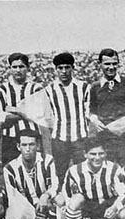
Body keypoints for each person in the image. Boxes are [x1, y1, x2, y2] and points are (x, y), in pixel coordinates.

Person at [61, 138, 125, 219]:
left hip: (108, 205)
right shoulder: (74, 171)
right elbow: (67, 194)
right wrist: (72, 211)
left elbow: (124, 194)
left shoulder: (114, 169)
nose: (97, 157)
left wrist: (114, 208)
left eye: (101, 153)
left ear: (106, 153)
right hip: (87, 207)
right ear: (85, 154)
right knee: (75, 200)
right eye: (93, 154)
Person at [3, 129, 64, 219]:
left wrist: (45, 195)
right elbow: (12, 198)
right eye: (24, 145)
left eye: (31, 145)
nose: (27, 149)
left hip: (45, 203)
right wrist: (30, 210)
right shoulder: (9, 168)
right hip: (25, 206)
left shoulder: (47, 160)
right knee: (9, 217)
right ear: (18, 146)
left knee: (60, 200)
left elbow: (55, 185)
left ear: (38, 145)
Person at [45, 52, 90, 183]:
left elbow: (89, 111)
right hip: (59, 138)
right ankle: (62, 199)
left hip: (80, 138)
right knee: (60, 173)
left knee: (82, 172)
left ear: (72, 68)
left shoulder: (84, 87)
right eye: (60, 68)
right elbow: (48, 114)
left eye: (67, 67)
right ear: (56, 69)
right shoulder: (49, 89)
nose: (64, 71)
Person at [89, 48, 125, 165]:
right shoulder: (95, 87)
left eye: (114, 63)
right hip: (104, 136)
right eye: (107, 64)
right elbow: (91, 111)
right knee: (105, 170)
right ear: (100, 64)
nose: (111, 67)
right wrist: (95, 121)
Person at [0, 53, 44, 164]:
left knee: (36, 171)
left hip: (32, 137)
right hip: (10, 139)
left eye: (21, 66)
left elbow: (39, 114)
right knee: (10, 172)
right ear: (9, 69)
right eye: (14, 67)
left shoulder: (36, 88)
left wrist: (14, 110)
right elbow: (2, 119)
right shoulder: (2, 89)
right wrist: (27, 113)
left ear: (28, 68)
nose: (18, 70)